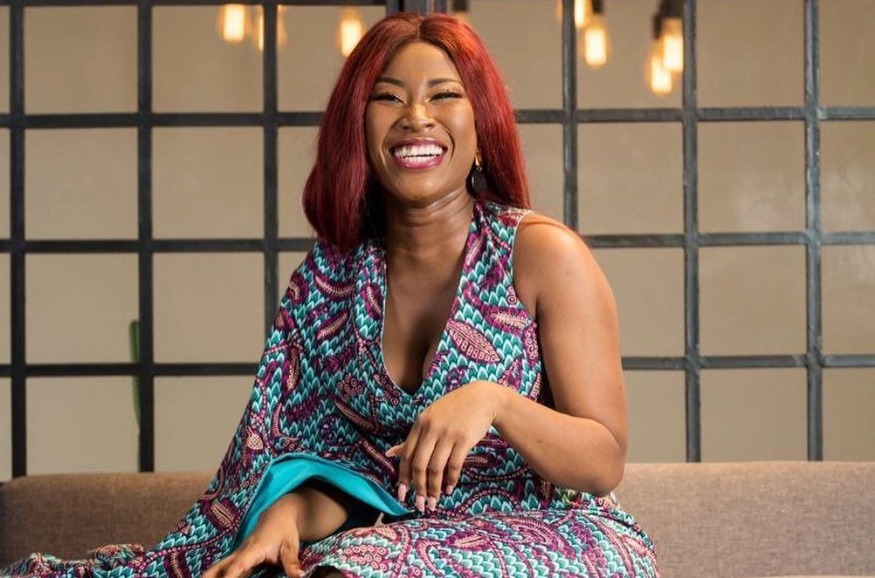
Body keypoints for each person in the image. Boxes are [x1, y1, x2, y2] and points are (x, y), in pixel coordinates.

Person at [2, 12, 658, 578]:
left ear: (481, 124)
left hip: (552, 531)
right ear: (357, 129)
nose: (416, 118)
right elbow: (342, 470)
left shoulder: (541, 255)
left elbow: (602, 460)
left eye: (444, 95)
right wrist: (285, 515)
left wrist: (495, 402)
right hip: (394, 535)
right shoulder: (330, 279)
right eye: (388, 98)